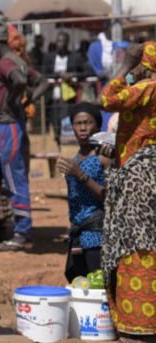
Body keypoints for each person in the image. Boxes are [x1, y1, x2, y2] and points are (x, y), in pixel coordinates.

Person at [101, 42, 156, 343]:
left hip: (140, 178)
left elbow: (107, 99)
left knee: (138, 248)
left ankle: (140, 331)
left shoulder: (149, 87)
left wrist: (123, 66)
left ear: (144, 64)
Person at [0, 20, 49, 252]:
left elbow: (20, 81)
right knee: (15, 176)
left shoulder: (4, 62)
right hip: (14, 124)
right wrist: (27, 100)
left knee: (13, 178)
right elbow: (42, 82)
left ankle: (22, 233)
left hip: (7, 126)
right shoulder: (18, 60)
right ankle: (20, 229)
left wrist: (12, 102)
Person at [56, 103, 109, 281]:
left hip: (97, 236)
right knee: (79, 285)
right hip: (77, 235)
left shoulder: (104, 156)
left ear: (98, 126)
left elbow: (110, 197)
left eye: (88, 122)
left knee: (98, 288)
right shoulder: (75, 159)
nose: (83, 128)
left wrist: (80, 175)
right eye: (78, 124)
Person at [42, 32, 91, 146]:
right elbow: (43, 74)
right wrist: (58, 75)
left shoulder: (75, 57)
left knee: (66, 120)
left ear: (67, 42)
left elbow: (86, 72)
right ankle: (56, 142)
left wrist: (72, 75)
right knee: (54, 121)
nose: (61, 44)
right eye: (59, 41)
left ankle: (68, 144)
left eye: (63, 41)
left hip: (69, 96)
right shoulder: (49, 57)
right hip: (53, 96)